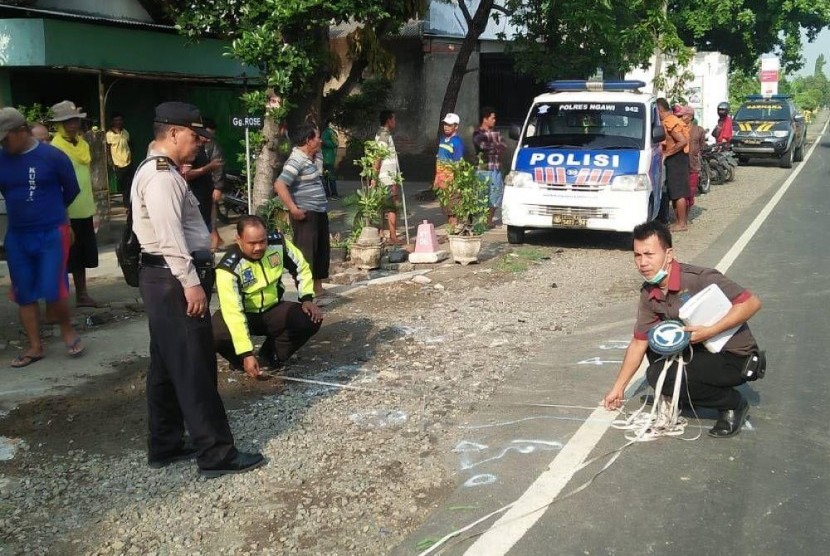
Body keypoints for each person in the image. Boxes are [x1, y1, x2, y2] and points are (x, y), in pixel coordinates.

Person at [131, 101, 263, 477]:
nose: (199, 144)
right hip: (174, 279)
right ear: (172, 133)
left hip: (162, 279)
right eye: (194, 136)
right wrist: (191, 285)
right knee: (194, 367)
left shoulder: (159, 168)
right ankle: (217, 453)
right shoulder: (161, 177)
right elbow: (171, 238)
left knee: (167, 365)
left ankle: (166, 442)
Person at [602, 220, 762, 437]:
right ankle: (683, 393)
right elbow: (640, 341)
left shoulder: (700, 278)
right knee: (654, 343)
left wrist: (711, 330)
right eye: (637, 255)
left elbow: (752, 303)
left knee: (659, 376)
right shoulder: (649, 292)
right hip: (701, 350)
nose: (643, 262)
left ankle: (732, 404)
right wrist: (618, 388)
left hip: (734, 356)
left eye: (649, 254)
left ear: (668, 255)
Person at [0, 107, 85, 367]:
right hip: (18, 234)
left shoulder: (52, 156)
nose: (3, 143)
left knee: (53, 287)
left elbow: (71, 189)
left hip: (51, 231)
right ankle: (35, 346)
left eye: (6, 137)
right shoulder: (1, 158)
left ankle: (67, 330)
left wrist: (53, 212)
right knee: (23, 290)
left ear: (22, 131)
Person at [213, 215, 323, 378]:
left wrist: (306, 298)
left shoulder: (278, 244)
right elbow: (233, 312)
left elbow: (301, 267)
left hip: (273, 309)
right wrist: (246, 353)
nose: (258, 247)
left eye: (262, 241)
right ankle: (242, 362)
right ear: (238, 239)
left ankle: (270, 355)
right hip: (245, 314)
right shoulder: (227, 269)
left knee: (310, 318)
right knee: (215, 332)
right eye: (251, 243)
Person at [49, 101, 101, 308]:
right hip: (65, 210)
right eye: (67, 122)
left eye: (75, 121)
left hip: (84, 208)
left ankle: (82, 295)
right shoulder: (54, 149)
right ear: (59, 125)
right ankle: (56, 303)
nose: (72, 125)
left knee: (82, 255)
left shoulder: (83, 144)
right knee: (61, 258)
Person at [273, 123, 330, 299]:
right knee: (306, 253)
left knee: (321, 250)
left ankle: (318, 288)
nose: (319, 140)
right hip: (306, 214)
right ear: (308, 140)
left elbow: (320, 157)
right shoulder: (296, 160)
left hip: (318, 210)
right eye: (316, 137)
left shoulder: (310, 157)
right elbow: (280, 184)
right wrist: (293, 209)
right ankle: (305, 293)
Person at [656, 98, 690, 232]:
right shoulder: (669, 120)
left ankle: (682, 223)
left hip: (677, 158)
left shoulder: (670, 121)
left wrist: (667, 154)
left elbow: (682, 141)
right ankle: (678, 221)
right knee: (673, 191)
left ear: (659, 110)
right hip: (675, 158)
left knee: (678, 192)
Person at [472, 107, 506, 228]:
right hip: (483, 169)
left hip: (496, 168)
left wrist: (495, 145)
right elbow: (484, 147)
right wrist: (495, 144)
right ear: (485, 119)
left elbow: (502, 147)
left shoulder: (496, 133)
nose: (494, 120)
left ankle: (489, 220)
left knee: (496, 195)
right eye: (492, 118)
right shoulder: (477, 133)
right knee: (481, 195)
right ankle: (480, 220)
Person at [374, 110, 402, 244]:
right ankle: (392, 236)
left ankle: (382, 234)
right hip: (387, 177)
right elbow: (378, 156)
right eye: (394, 119)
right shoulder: (384, 135)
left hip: (387, 176)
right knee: (391, 206)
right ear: (389, 120)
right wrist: (374, 176)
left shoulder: (383, 134)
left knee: (384, 205)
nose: (395, 122)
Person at [434, 112, 465, 225]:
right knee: (446, 209)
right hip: (442, 181)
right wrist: (436, 178)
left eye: (449, 125)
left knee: (453, 210)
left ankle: (453, 231)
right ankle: (451, 231)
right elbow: (439, 159)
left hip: (451, 182)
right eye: (445, 124)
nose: (446, 127)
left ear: (456, 126)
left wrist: (456, 182)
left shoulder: (457, 142)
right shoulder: (442, 140)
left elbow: (458, 164)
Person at [203, 118, 226, 251]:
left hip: (210, 186)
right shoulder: (201, 144)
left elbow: (218, 167)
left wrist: (217, 187)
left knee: (211, 214)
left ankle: (215, 241)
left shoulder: (212, 145)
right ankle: (215, 241)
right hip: (204, 186)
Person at [105, 113, 133, 207]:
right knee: (122, 185)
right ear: (113, 122)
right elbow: (107, 150)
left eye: (120, 120)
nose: (118, 122)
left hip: (128, 163)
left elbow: (129, 145)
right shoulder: (109, 134)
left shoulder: (125, 132)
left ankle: (128, 205)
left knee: (129, 185)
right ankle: (124, 204)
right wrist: (111, 163)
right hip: (117, 164)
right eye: (116, 120)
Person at [321, 119, 340, 199]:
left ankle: (329, 194)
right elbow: (336, 143)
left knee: (326, 177)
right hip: (330, 157)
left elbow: (324, 141)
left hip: (326, 157)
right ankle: (333, 193)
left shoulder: (326, 132)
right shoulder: (333, 132)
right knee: (330, 177)